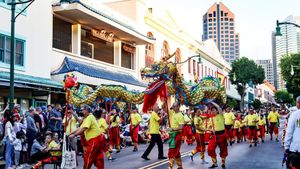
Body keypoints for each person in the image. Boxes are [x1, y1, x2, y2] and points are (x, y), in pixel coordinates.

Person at [69, 105, 106, 169]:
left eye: (83, 110)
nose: (81, 111)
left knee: (88, 156)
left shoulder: (89, 117)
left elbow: (84, 128)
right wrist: (72, 133)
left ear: (87, 110)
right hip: (97, 138)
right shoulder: (87, 118)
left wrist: (74, 135)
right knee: (98, 157)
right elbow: (80, 128)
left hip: (95, 139)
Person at [207, 102, 228, 169]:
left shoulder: (221, 115)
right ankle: (215, 163)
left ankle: (223, 163)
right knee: (210, 148)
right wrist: (210, 129)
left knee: (223, 150)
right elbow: (209, 127)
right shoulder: (211, 119)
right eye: (211, 110)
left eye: (214, 110)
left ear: (217, 111)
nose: (212, 111)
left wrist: (212, 102)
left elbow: (219, 108)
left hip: (222, 135)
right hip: (214, 136)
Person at [166, 102, 185, 169]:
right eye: (172, 106)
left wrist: (172, 129)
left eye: (174, 106)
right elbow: (164, 107)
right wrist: (164, 99)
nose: (173, 108)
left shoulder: (180, 115)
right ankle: (180, 166)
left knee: (171, 150)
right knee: (176, 152)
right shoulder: (172, 113)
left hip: (177, 135)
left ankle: (170, 167)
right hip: (172, 135)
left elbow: (181, 127)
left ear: (178, 107)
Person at [284, 96, 300, 169]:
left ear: (298, 103)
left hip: (296, 150)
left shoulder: (295, 114)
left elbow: (289, 132)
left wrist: (286, 147)